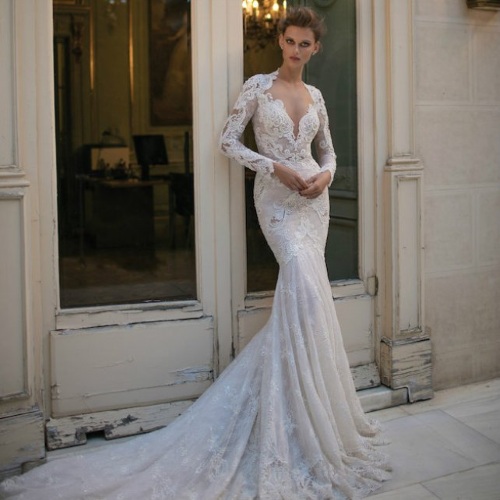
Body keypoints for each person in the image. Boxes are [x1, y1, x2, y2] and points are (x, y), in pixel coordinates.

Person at [0, 7, 390, 500]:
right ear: (280, 41)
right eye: (289, 41)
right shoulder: (257, 87)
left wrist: (326, 176)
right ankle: (292, 408)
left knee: (309, 303)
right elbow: (227, 142)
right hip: (277, 204)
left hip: (316, 203)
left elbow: (330, 152)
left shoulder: (316, 95)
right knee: (304, 286)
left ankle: (312, 410)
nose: (295, 50)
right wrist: (275, 168)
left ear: (316, 49)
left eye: (304, 44)